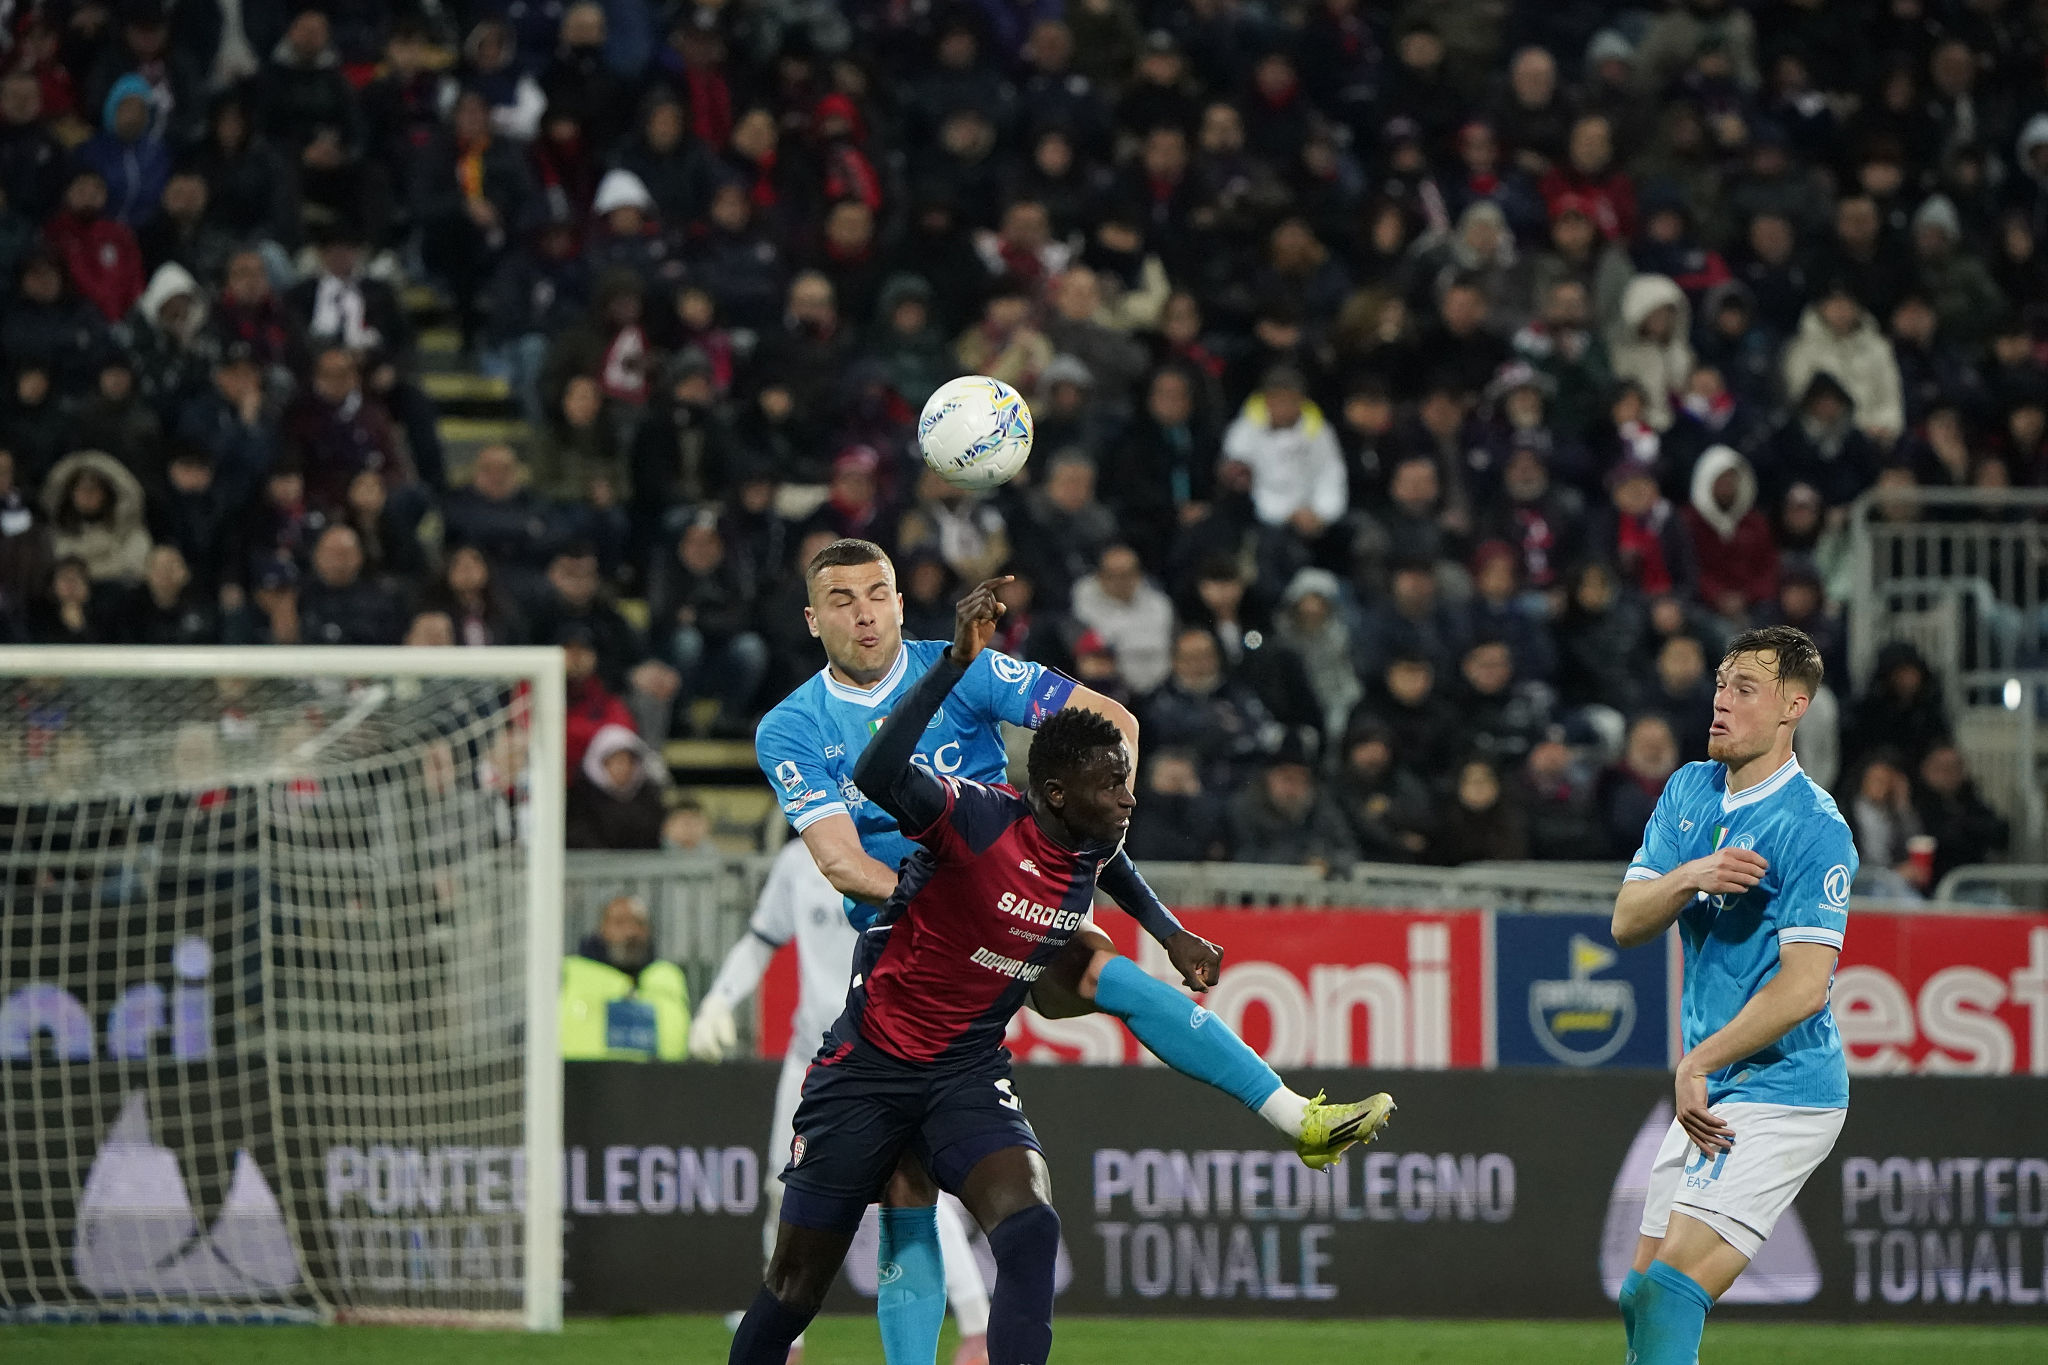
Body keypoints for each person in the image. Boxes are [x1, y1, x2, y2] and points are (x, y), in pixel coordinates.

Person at [751, 545, 1389, 1365]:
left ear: (903, 603)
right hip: (905, 939)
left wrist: (1073, 860)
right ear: (813, 620)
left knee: (1097, 970)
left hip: (1006, 887)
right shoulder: (794, 724)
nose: (864, 612)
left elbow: (1111, 728)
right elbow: (841, 860)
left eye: (878, 594)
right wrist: (946, 899)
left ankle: (1294, 1114)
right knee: (902, 1184)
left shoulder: (971, 668)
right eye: (841, 599)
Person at [1610, 626, 1857, 1365]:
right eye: (1720, 683)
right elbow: (1626, 921)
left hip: (1785, 1087)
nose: (1720, 702)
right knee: (1639, 1291)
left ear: (1793, 706)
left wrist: (1698, 1060)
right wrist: (1694, 873)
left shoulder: (1815, 827)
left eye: (1744, 689)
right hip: (1716, 1083)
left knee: (1670, 1288)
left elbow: (1805, 986)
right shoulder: (1689, 788)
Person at [691, 838, 994, 1365]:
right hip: (808, 1054)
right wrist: (718, 1000)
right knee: (779, 1185)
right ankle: (788, 1339)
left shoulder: (906, 846)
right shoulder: (796, 860)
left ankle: (978, 1328)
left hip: (885, 1057)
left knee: (913, 1189)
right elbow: (761, 939)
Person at [559, 894, 690, 1061]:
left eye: (639, 924)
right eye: (619, 923)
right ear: (602, 929)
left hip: (655, 1081)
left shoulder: (667, 976)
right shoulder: (570, 973)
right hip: (581, 1080)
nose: (631, 932)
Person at [565, 723, 668, 850]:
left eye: (629, 762)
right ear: (601, 763)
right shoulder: (580, 799)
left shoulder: (649, 798)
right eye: (617, 761)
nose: (623, 768)